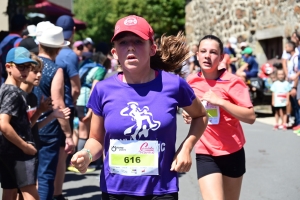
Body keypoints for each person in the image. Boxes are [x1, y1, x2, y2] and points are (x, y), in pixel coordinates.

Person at [71, 15, 208, 200]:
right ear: (114, 52)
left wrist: (186, 148)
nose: (130, 47)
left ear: (152, 49)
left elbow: (200, 116)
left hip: (161, 189)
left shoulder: (174, 85)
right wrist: (86, 154)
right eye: (123, 42)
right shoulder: (103, 89)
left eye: (138, 41)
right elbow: (96, 139)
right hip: (116, 190)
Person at [183, 35, 256, 200]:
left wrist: (221, 102)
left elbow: (250, 117)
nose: (207, 56)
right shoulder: (191, 81)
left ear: (221, 57)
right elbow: (191, 110)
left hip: (232, 151)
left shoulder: (233, 82)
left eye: (213, 52)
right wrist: (189, 115)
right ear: (197, 54)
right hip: (205, 152)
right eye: (203, 51)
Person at [33, 24, 75, 200]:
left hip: (28, 123)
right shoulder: (55, 69)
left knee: (27, 178)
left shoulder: (29, 65)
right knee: (45, 177)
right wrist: (68, 134)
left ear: (40, 44)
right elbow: (58, 103)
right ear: (58, 48)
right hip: (48, 128)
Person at [0, 47, 38, 200]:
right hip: (18, 153)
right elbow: (3, 124)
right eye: (20, 66)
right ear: (8, 67)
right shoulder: (13, 92)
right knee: (31, 194)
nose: (25, 70)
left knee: (10, 191)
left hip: (7, 151)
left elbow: (22, 124)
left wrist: (40, 111)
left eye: (28, 67)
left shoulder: (5, 88)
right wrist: (25, 147)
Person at [54, 15, 81, 200]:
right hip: (65, 108)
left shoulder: (46, 51)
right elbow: (76, 88)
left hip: (46, 108)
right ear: (73, 31)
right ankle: (56, 194)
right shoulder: (69, 54)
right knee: (62, 154)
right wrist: (71, 102)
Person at [0, 14, 28, 83]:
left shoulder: (3, 40)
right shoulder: (19, 42)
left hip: (2, 79)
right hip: (13, 81)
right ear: (24, 27)